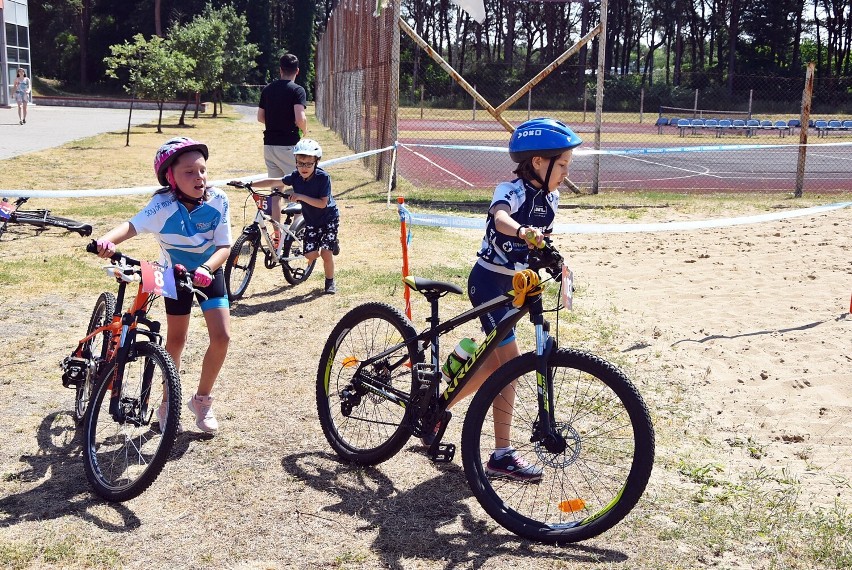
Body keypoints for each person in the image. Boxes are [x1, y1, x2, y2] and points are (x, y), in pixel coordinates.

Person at [429, 118, 582, 482]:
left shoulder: (552, 199)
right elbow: (499, 219)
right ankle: (501, 455)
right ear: (539, 163)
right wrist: (522, 230)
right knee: (510, 365)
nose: (565, 173)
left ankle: (436, 408)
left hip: (515, 286)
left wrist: (557, 264)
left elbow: (538, 246)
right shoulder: (511, 190)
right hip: (488, 282)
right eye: (561, 165)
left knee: (492, 368)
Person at [94, 137, 232, 434]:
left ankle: (202, 400)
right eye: (189, 173)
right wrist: (108, 240)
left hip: (210, 271)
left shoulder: (218, 200)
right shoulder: (162, 204)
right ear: (171, 178)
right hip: (173, 275)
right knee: (176, 341)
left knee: (222, 337)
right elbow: (132, 225)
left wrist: (208, 268)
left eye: (203, 171)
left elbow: (224, 245)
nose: (199, 178)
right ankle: (169, 401)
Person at [246, 138, 340, 294]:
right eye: (300, 163)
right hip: (311, 221)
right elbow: (275, 181)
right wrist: (250, 183)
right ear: (295, 161)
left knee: (325, 253)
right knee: (310, 255)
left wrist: (301, 196)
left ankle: (329, 281)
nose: (304, 167)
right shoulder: (295, 176)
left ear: (316, 162)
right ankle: (328, 245)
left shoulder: (323, 178)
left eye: (308, 164)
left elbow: (323, 203)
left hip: (328, 218)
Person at [258, 53, 308, 249]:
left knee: (276, 190)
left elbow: (261, 117)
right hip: (289, 145)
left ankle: (276, 233)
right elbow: (300, 117)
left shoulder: (268, 89)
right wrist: (304, 130)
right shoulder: (297, 90)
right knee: (300, 187)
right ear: (297, 71)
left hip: (269, 145)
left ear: (280, 69)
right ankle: (295, 231)